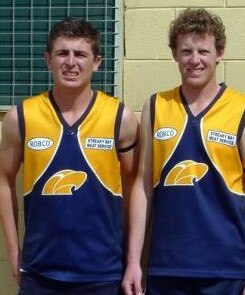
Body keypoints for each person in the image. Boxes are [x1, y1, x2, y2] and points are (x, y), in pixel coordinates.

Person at [121, 8, 245, 295]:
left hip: (227, 266)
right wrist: (133, 261)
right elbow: (142, 187)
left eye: (203, 51)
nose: (194, 60)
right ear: (174, 54)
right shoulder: (155, 107)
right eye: (186, 51)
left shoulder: (242, 109)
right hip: (167, 265)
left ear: (220, 53)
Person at [0, 17, 139, 294]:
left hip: (103, 273)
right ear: (48, 59)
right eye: (62, 53)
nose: (71, 62)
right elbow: (4, 180)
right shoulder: (22, 117)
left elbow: (135, 186)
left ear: (97, 62)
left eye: (80, 54)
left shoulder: (119, 117)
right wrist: (14, 252)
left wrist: (132, 257)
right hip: (40, 272)